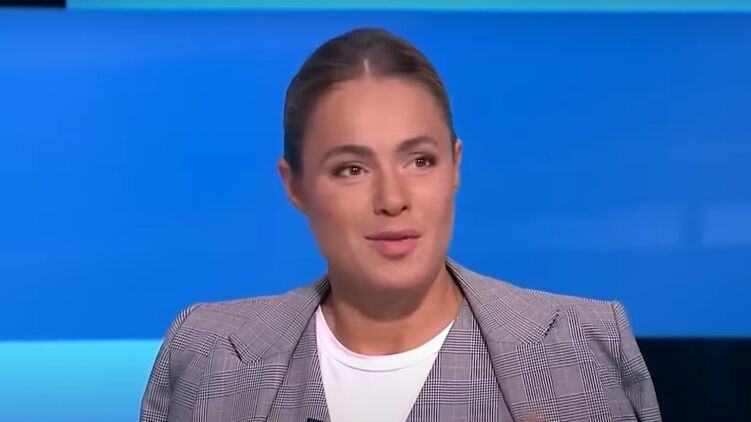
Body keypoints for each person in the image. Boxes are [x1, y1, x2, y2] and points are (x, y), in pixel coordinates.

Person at [140, 28, 661, 422]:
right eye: (351, 169)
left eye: (420, 161)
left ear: (455, 166)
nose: (392, 199)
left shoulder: (585, 348)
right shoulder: (205, 354)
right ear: (294, 185)